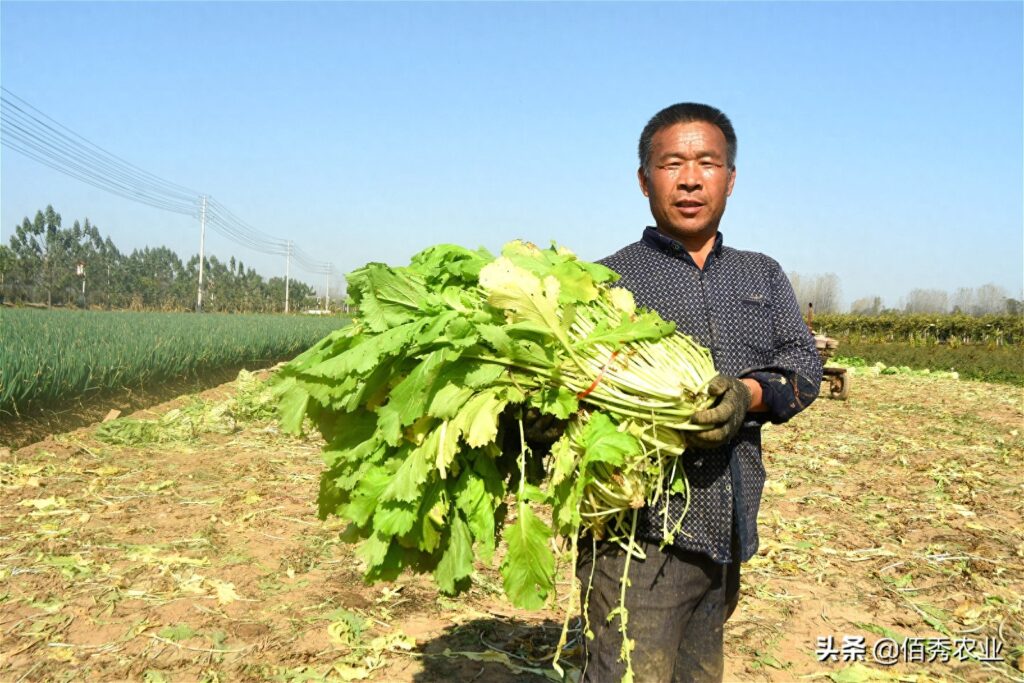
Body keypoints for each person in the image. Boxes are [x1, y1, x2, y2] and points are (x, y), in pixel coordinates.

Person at [573, 103, 824, 682]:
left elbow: (802, 366)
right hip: (639, 538)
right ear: (644, 180)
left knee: (698, 672)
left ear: (730, 178)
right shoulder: (605, 283)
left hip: (730, 525)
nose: (690, 178)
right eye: (672, 164)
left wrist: (747, 395)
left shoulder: (760, 274)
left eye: (708, 163)